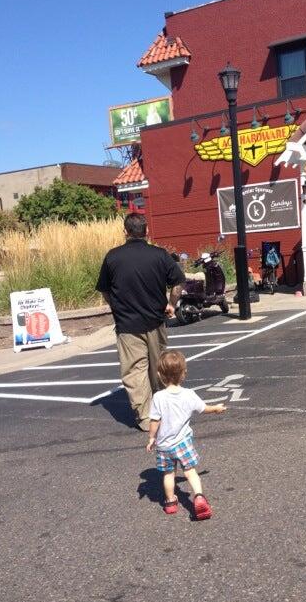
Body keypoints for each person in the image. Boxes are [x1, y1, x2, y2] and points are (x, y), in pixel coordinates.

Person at [96, 213, 185, 431]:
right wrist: (172, 304)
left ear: (125, 232)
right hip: (155, 321)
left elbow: (105, 291)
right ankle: (165, 409)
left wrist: (116, 307)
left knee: (135, 372)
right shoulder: (160, 255)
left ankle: (146, 418)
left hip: (127, 326)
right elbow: (178, 282)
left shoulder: (112, 257)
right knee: (160, 368)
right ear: (146, 231)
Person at [146, 350, 226, 519]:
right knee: (190, 471)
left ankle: (170, 502)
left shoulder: (158, 397)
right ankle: (199, 497)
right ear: (184, 373)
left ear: (159, 375)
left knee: (169, 474)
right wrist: (216, 408)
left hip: (164, 446)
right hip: (183, 443)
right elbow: (204, 408)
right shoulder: (189, 394)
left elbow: (154, 421)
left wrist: (152, 438)